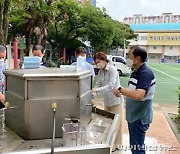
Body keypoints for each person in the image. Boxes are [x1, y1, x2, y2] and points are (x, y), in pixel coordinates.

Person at [113, 47, 156, 154]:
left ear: (137, 58)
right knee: (135, 147)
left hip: (139, 118)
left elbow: (138, 95)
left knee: (137, 149)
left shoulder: (144, 73)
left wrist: (120, 90)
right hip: (134, 116)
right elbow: (133, 91)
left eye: (129, 55)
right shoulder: (136, 71)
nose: (127, 57)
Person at [92, 52, 123, 152]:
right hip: (107, 101)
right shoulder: (101, 71)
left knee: (117, 124)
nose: (97, 64)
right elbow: (98, 83)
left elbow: (111, 85)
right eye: (96, 63)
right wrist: (93, 93)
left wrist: (97, 90)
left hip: (116, 100)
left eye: (98, 62)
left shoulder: (113, 69)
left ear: (104, 60)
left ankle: (116, 144)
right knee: (108, 123)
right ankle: (110, 143)